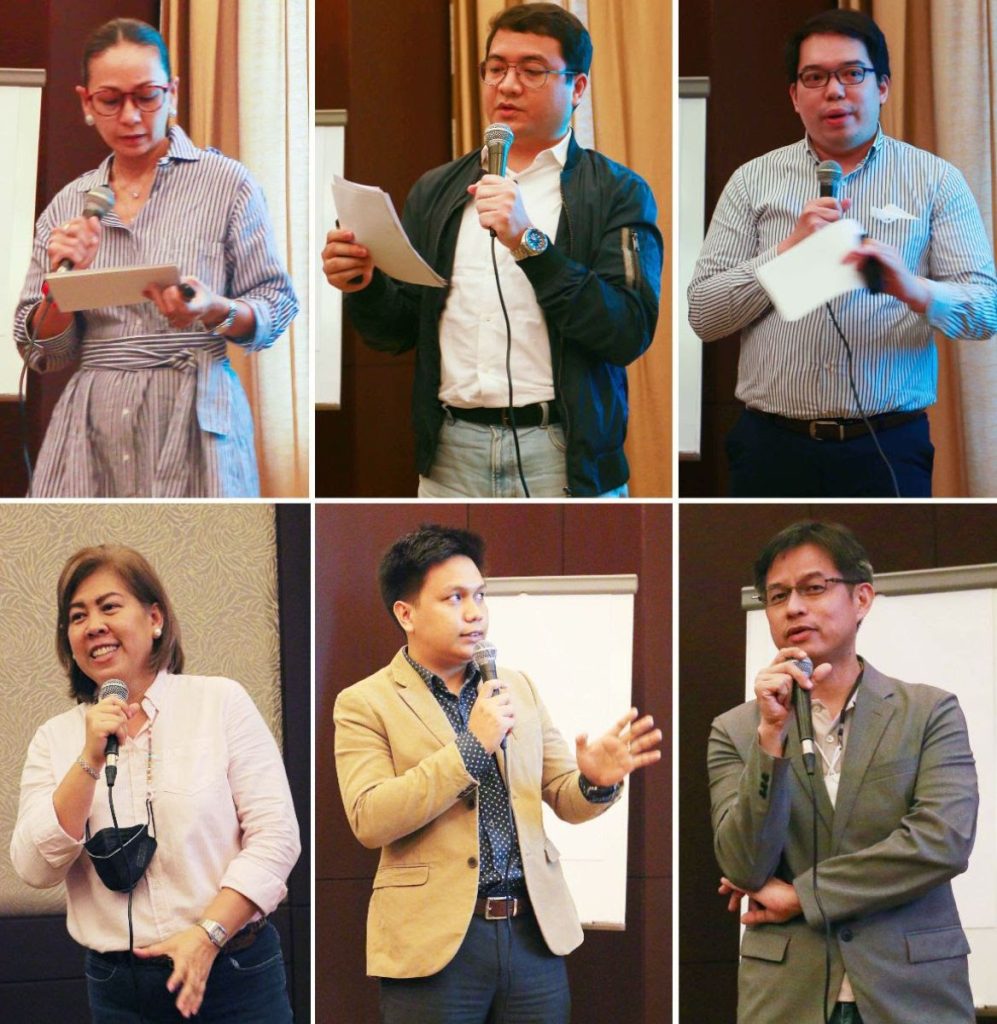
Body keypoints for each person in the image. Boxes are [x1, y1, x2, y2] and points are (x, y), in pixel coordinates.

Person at [322, 3, 662, 498]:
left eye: (532, 71)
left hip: (561, 451)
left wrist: (530, 243)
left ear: (578, 88)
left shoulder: (617, 192)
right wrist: (364, 284)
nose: (507, 85)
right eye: (496, 68)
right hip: (451, 449)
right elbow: (396, 332)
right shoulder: (437, 189)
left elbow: (627, 331)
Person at [334, 524, 662, 1022]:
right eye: (454, 598)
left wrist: (595, 780)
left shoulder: (517, 686)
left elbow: (559, 794)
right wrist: (471, 747)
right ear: (406, 613)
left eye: (480, 596)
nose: (475, 614)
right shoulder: (365, 703)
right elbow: (370, 817)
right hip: (435, 945)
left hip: (532, 936)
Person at [688, 9, 997, 498]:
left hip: (888, 444)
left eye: (852, 73)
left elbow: (986, 311)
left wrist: (911, 288)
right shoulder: (752, 181)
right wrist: (788, 251)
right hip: (771, 444)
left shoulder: (936, 180)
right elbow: (704, 314)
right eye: (814, 77)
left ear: (882, 87)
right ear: (794, 95)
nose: (834, 91)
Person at [11, 544, 301, 1022]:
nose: (93, 625)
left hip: (233, 968)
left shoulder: (219, 702)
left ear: (155, 618)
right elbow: (34, 868)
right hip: (120, 989)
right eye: (77, 615)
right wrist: (88, 758)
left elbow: (277, 838)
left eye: (109, 606)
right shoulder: (55, 739)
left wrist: (206, 936)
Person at [14, 18, 298, 498]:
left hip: (197, 412)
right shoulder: (68, 204)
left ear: (174, 92)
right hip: (92, 424)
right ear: (86, 102)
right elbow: (42, 351)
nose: (131, 116)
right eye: (111, 100)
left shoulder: (228, 184)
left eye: (147, 96)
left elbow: (277, 304)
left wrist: (214, 309)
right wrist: (63, 288)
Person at [708, 521, 978, 1024]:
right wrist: (772, 737)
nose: (793, 607)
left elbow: (941, 841)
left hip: (913, 989)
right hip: (787, 995)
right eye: (777, 595)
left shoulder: (929, 712)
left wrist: (804, 896)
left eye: (814, 588)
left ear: (862, 599)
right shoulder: (737, 729)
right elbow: (743, 865)